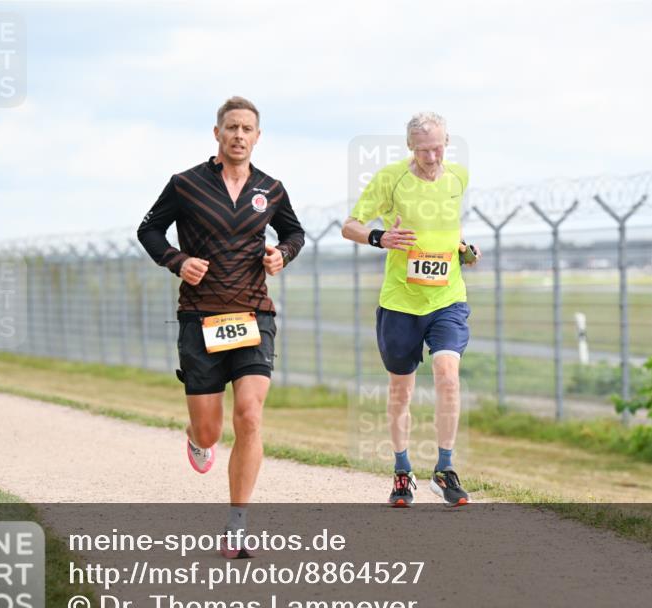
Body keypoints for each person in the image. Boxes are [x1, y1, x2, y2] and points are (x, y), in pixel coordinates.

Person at [138, 96, 305, 557]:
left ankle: (236, 524)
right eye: (231, 127)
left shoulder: (270, 189)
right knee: (211, 431)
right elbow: (149, 230)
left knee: (250, 414)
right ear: (217, 133)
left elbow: (294, 233)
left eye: (247, 129)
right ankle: (197, 438)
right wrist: (178, 260)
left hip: (254, 313)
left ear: (257, 136)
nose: (238, 135)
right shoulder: (186, 184)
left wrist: (281, 255)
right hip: (200, 318)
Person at [342, 111, 481, 508]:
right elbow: (349, 225)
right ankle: (403, 471)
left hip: (447, 298)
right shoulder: (390, 179)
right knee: (401, 390)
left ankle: (445, 468)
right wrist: (380, 237)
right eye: (423, 150)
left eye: (437, 147)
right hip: (401, 302)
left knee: (447, 375)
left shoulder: (458, 178)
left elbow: (448, 226)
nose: (432, 157)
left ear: (447, 142)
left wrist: (462, 249)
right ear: (409, 148)